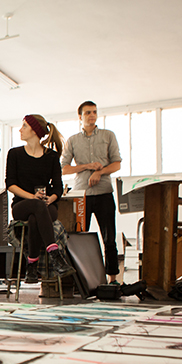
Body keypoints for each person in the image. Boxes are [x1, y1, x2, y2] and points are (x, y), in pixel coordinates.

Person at [6, 114, 76, 283]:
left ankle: (31, 266)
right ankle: (55, 256)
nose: (20, 130)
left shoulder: (51, 157)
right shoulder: (15, 154)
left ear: (34, 130)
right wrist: (33, 197)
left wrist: (50, 199)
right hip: (21, 204)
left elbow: (58, 188)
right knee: (35, 209)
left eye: (24, 126)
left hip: (46, 206)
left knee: (35, 217)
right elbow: (10, 184)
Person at [61, 101, 121, 283]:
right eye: (88, 113)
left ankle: (113, 279)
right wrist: (87, 167)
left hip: (104, 193)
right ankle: (81, 280)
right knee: (78, 239)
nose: (92, 115)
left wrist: (99, 172)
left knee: (109, 238)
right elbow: (64, 168)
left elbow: (117, 163)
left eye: (94, 112)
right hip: (81, 197)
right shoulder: (72, 140)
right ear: (80, 116)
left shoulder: (108, 135)